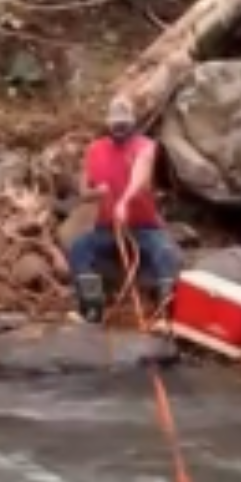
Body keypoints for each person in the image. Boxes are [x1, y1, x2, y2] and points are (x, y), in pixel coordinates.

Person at [67, 95, 182, 324]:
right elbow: (82, 192)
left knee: (165, 253)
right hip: (107, 228)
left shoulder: (147, 147)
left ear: (133, 122)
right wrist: (94, 192)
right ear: (108, 122)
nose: (120, 128)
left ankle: (166, 314)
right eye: (116, 123)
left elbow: (142, 174)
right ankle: (92, 310)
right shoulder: (95, 150)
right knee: (79, 249)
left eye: (124, 123)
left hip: (145, 227)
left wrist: (125, 201)